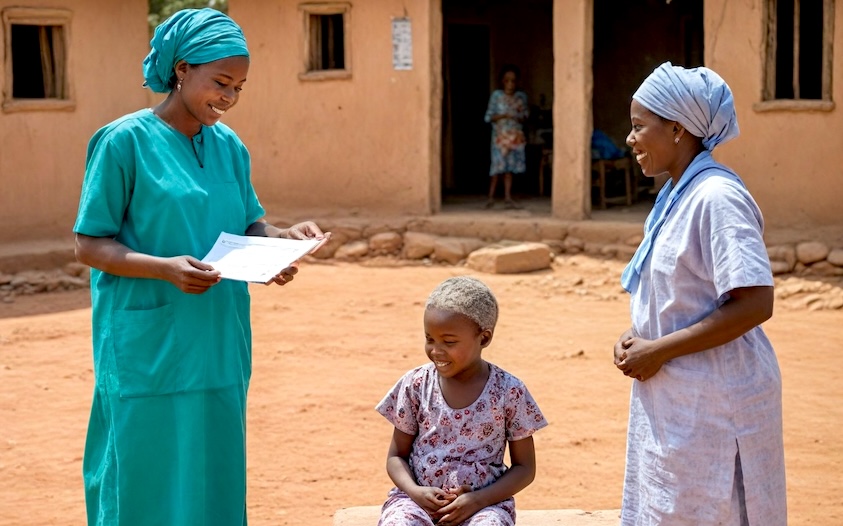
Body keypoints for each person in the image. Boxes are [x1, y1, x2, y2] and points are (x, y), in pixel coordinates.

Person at [72, 8, 329, 525]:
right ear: (182, 69)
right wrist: (164, 268)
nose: (229, 99)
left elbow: (249, 226)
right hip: (149, 341)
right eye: (221, 83)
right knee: (142, 465)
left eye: (239, 88)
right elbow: (90, 244)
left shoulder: (229, 147)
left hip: (217, 338)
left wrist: (281, 243)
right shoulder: (123, 142)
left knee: (214, 465)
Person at [614, 61, 786, 525]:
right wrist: (638, 337)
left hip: (717, 401)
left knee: (715, 509)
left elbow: (755, 301)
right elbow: (682, 294)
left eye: (638, 126)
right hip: (680, 400)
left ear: (676, 128)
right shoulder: (677, 195)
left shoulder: (716, 197)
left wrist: (660, 349)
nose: (630, 139)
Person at [376, 276, 547, 526]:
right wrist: (414, 491)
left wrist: (478, 500)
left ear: (484, 338)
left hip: (483, 506)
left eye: (449, 342)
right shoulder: (416, 384)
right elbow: (395, 457)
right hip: (415, 502)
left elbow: (525, 468)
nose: (436, 350)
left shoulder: (509, 391)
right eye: (429, 339)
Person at [484, 65, 529, 210]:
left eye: (513, 81)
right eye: (507, 80)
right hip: (499, 137)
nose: (510, 84)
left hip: (514, 137)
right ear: (502, 81)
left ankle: (507, 198)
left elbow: (525, 116)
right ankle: (490, 197)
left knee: (509, 169)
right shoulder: (496, 96)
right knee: (497, 167)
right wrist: (504, 115)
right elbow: (488, 117)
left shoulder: (521, 97)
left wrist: (519, 114)